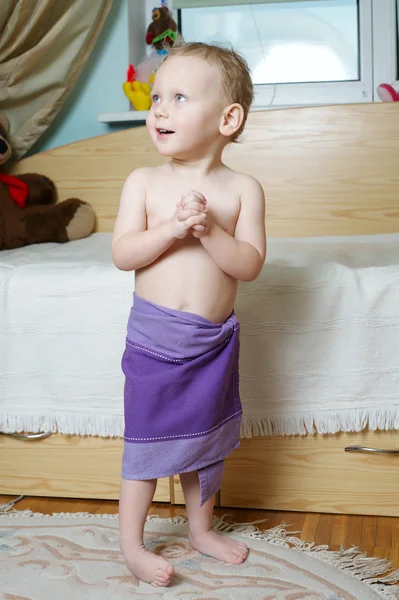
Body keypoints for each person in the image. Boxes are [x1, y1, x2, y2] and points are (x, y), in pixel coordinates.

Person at [112, 41, 266, 588]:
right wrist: (174, 229)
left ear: (228, 118)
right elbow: (124, 254)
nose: (159, 109)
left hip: (210, 344)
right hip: (155, 342)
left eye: (178, 97)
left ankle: (201, 529)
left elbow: (248, 264)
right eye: (156, 97)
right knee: (147, 446)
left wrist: (210, 230)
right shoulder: (144, 182)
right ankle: (131, 543)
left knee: (205, 443)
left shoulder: (242, 189)